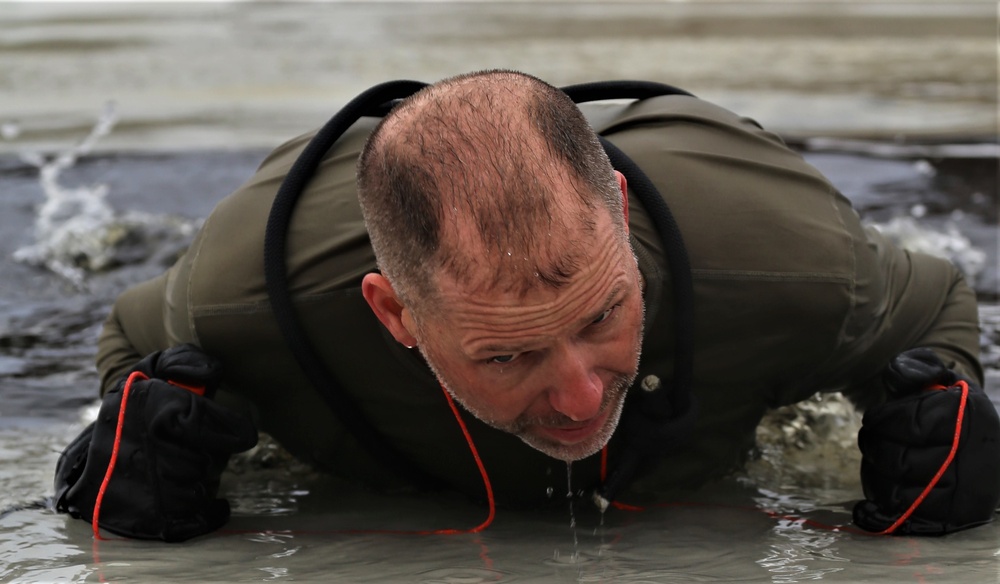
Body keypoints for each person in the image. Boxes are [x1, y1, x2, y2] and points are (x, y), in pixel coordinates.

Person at [55, 70, 999, 541]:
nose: (583, 400)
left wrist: (931, 405)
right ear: (394, 316)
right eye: (507, 356)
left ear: (619, 223)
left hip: (703, 183)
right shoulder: (250, 300)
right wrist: (136, 433)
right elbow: (128, 329)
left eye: (602, 317)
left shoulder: (796, 266)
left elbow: (938, 303)